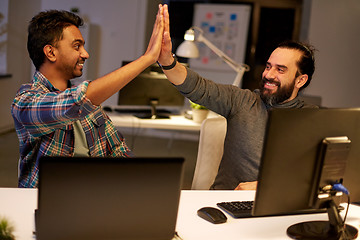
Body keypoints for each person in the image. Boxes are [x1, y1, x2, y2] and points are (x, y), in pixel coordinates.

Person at [157, 5, 318, 190]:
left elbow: (311, 175)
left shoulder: (311, 118)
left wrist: (262, 186)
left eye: (280, 69)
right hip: (224, 205)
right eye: (268, 66)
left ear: (300, 80)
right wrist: (167, 61)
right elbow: (197, 87)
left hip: (275, 209)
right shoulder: (241, 101)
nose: (269, 74)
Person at [11, 6, 166, 188]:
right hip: (44, 200)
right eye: (77, 46)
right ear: (51, 52)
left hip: (92, 194)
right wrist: (147, 59)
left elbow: (116, 148)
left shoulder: (89, 103)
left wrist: (145, 180)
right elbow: (75, 103)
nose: (86, 54)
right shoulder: (25, 101)